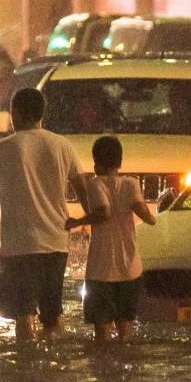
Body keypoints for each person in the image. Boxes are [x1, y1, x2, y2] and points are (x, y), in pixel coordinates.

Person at [0, 88, 91, 342]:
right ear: (41, 114)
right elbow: (82, 188)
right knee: (52, 317)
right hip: (57, 245)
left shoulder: (6, 147)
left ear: (16, 114)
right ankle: (52, 367)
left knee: (23, 316)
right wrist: (91, 221)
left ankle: (27, 369)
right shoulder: (62, 145)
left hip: (20, 248)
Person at [65, 136, 156, 343]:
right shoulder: (131, 183)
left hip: (101, 270)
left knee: (101, 333)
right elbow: (143, 212)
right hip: (130, 268)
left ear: (96, 163)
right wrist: (154, 219)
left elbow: (103, 212)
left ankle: (105, 371)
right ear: (120, 162)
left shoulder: (95, 184)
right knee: (126, 328)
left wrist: (77, 221)